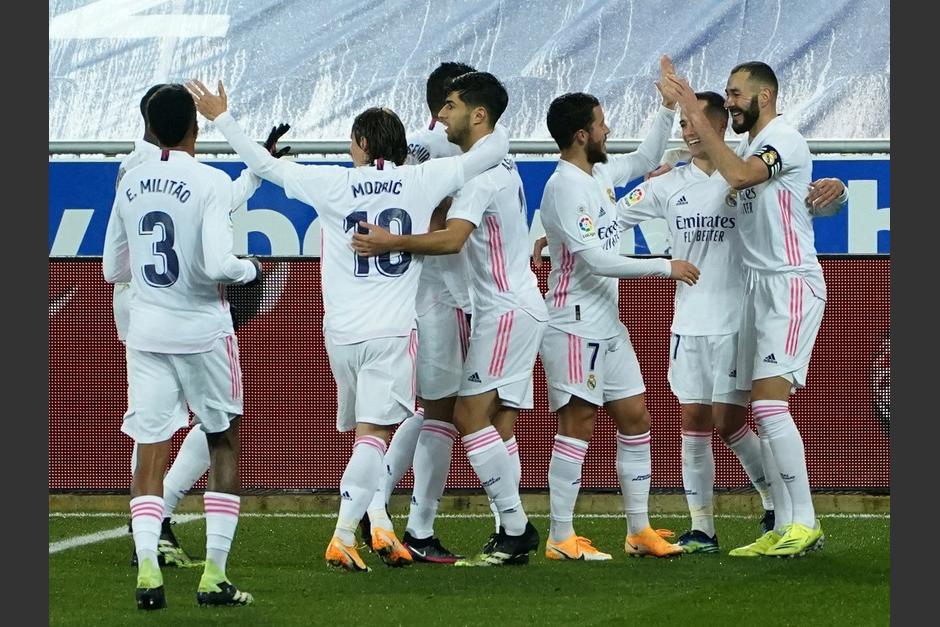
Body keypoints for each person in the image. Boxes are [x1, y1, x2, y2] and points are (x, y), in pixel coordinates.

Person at [186, 78, 510, 572]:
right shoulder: (421, 180)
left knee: (364, 436)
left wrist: (222, 117)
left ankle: (368, 524)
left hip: (340, 334)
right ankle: (343, 534)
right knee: (373, 437)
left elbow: (264, 165)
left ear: (360, 143)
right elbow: (492, 152)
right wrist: (490, 116)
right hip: (391, 333)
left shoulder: (333, 184)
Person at [613, 90, 846, 553]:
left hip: (741, 317)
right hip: (688, 321)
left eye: (694, 121)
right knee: (694, 421)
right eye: (682, 124)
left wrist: (838, 189)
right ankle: (703, 529)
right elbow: (610, 219)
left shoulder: (749, 171)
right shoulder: (667, 183)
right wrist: (559, 234)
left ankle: (780, 510)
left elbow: (810, 201)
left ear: (718, 125)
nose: (687, 131)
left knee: (735, 420)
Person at [351, 71, 548, 566]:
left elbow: (451, 237)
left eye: (451, 105)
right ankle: (503, 529)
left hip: (497, 308)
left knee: (459, 415)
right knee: (477, 417)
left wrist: (390, 240)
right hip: (493, 306)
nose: (442, 115)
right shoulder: (487, 155)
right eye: (443, 104)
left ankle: (510, 527)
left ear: (477, 114)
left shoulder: (476, 171)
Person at [103, 84, 260, 609]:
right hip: (202, 331)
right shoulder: (209, 180)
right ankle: (214, 575)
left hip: (147, 332)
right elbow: (219, 265)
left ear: (150, 127)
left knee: (150, 449)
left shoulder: (129, 181)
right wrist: (250, 269)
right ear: (196, 128)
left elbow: (112, 269)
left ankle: (148, 569)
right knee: (223, 442)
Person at [665, 61, 830, 557]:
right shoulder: (753, 147)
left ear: (765, 96)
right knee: (754, 409)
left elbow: (738, 175)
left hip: (790, 283)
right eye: (728, 95)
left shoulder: (783, 139)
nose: (731, 102)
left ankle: (805, 522)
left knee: (770, 406)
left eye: (736, 94)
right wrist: (672, 166)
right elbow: (725, 174)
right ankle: (785, 523)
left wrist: (693, 108)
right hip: (757, 290)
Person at [536, 56, 697, 560]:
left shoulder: (600, 172)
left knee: (636, 416)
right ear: (582, 135)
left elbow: (647, 156)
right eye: (602, 123)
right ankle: (560, 537)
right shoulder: (563, 187)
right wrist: (664, 266)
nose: (608, 130)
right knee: (578, 425)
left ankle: (638, 531)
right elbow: (597, 261)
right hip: (573, 324)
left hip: (608, 324)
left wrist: (666, 107)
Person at [358, 61, 477, 565]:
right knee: (437, 409)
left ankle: (379, 508)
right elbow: (443, 223)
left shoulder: (414, 147)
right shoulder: (448, 148)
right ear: (447, 103)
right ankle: (407, 522)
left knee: (421, 407)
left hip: (409, 292)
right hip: (440, 290)